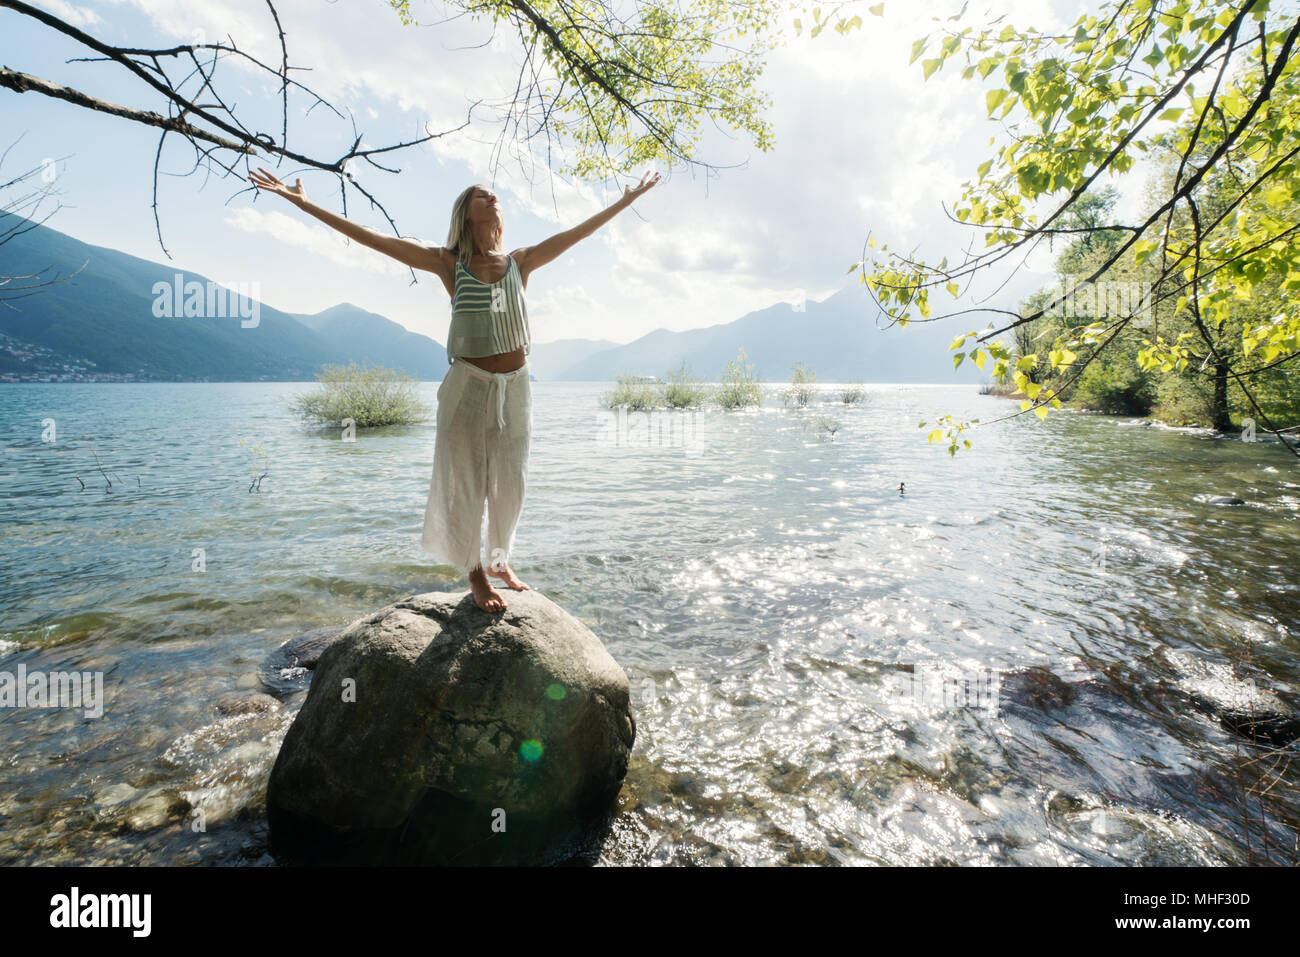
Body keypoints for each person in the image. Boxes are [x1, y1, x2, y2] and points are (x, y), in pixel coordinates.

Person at [247, 167, 661, 610]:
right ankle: (476, 572)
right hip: (467, 385)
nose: (492, 197)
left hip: (516, 388)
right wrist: (306, 205)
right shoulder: (450, 263)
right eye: (482, 194)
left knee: (511, 483)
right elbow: (375, 240)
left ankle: (500, 560)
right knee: (463, 481)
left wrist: (625, 201)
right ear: (465, 213)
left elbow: (577, 234)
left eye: (494, 194)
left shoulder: (521, 261)